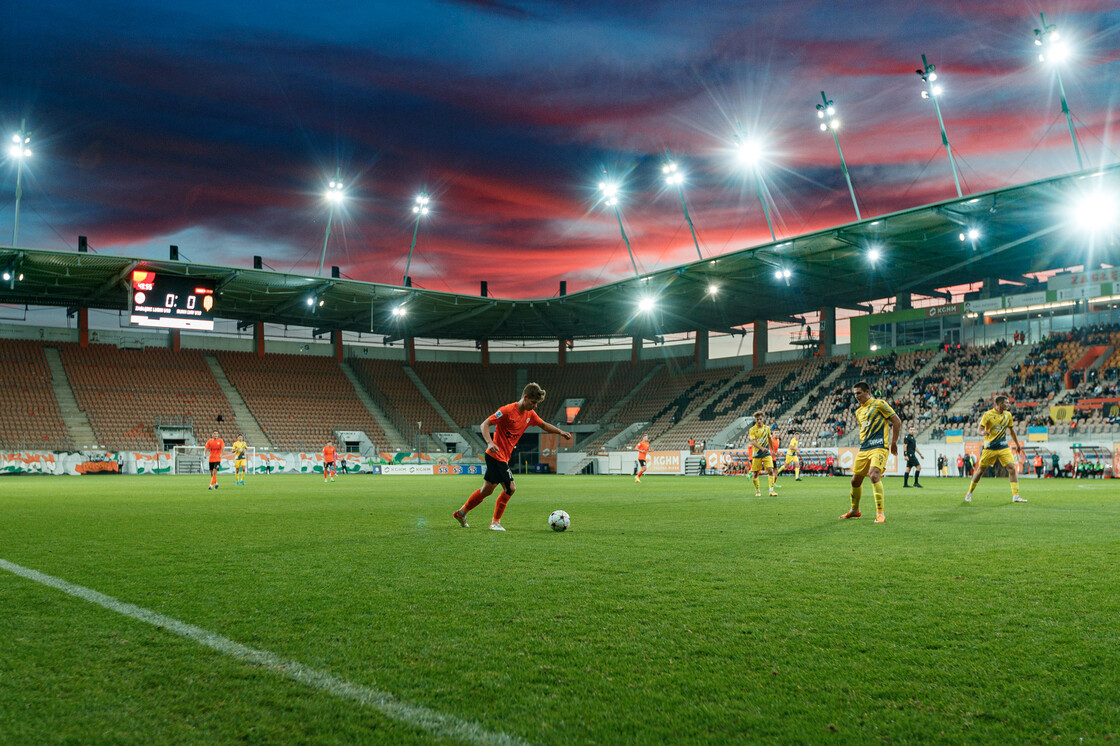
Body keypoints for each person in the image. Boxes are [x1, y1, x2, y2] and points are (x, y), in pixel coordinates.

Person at [453, 382, 572, 531]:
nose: (535, 406)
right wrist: (489, 442)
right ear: (525, 397)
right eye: (533, 402)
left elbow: (543, 425)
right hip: (496, 455)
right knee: (511, 488)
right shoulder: (507, 411)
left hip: (502, 457)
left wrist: (560, 432)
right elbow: (485, 424)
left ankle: (461, 513)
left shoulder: (530, 414)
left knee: (486, 490)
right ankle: (495, 522)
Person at [840, 381, 901, 524]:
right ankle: (855, 510)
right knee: (855, 481)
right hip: (864, 448)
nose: (856, 396)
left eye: (859, 393)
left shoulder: (880, 404)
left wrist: (893, 442)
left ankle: (880, 513)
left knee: (874, 475)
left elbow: (896, 421)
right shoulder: (858, 411)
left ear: (867, 392)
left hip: (879, 446)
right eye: (855, 394)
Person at [965, 395, 1026, 504]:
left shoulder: (1008, 415)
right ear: (999, 404)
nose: (1008, 405)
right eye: (1006, 403)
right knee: (980, 471)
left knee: (1011, 467)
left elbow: (1012, 431)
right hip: (990, 448)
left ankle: (1016, 496)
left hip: (1003, 446)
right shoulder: (988, 415)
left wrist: (1017, 444)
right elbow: (979, 429)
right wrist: (982, 432)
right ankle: (969, 493)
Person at [747, 412, 778, 497]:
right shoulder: (752, 430)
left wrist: (773, 451)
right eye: (757, 419)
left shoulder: (767, 428)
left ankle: (771, 491)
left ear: (763, 419)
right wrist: (761, 448)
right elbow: (753, 442)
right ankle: (757, 491)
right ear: (755, 420)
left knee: (771, 470)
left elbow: (769, 439)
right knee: (755, 473)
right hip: (757, 453)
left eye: (760, 419)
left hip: (766, 453)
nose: (759, 421)